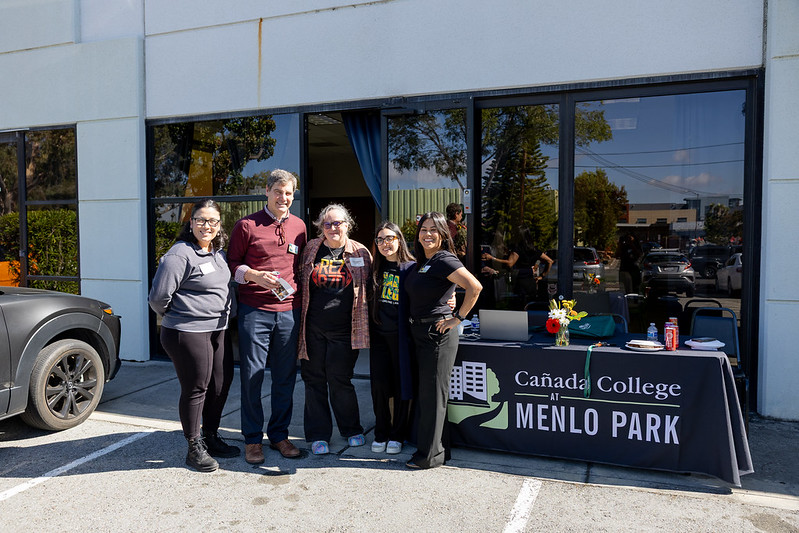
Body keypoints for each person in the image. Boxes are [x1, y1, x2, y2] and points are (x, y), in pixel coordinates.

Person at [149, 199, 239, 472]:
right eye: (200, 220)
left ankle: (211, 436)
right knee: (197, 387)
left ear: (219, 225)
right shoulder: (179, 255)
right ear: (191, 223)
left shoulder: (217, 253)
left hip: (218, 328)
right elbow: (157, 298)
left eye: (212, 221)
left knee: (221, 384)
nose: (206, 225)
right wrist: (183, 315)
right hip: (186, 332)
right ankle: (194, 446)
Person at [227, 169, 307, 464]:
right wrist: (253, 275)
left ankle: (279, 435)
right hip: (254, 312)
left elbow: (301, 265)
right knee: (252, 376)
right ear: (267, 191)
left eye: (288, 193)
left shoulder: (299, 226)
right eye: (278, 192)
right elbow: (231, 263)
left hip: (289, 311)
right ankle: (252, 439)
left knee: (285, 377)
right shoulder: (246, 225)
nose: (283, 198)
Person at [404, 211, 482, 469]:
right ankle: (439, 450)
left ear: (442, 235)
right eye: (423, 229)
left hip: (437, 336)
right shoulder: (423, 261)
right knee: (431, 395)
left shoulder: (443, 259)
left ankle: (429, 457)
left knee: (433, 396)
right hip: (421, 334)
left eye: (433, 230)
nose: (427, 234)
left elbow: (475, 287)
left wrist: (457, 317)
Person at [297, 204, 372, 455]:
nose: (332, 228)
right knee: (314, 380)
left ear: (347, 225)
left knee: (340, 380)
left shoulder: (360, 251)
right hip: (313, 328)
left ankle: (351, 429)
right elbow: (297, 278)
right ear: (321, 227)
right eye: (327, 224)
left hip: (345, 330)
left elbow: (375, 285)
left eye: (337, 223)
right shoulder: (311, 249)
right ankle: (319, 435)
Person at [369, 221, 416, 455]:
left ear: (399, 240)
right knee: (379, 386)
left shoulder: (412, 268)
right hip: (378, 337)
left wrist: (451, 300)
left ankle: (398, 434)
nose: (385, 244)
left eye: (390, 238)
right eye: (380, 240)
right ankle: (381, 431)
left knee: (401, 387)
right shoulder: (374, 270)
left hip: (402, 339)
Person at [482, 226, 553, 308]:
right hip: (530, 280)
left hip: (519, 279)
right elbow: (550, 261)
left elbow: (510, 263)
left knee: (518, 304)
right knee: (529, 304)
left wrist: (492, 258)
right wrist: (542, 276)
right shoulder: (534, 249)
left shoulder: (518, 249)